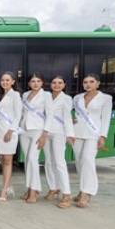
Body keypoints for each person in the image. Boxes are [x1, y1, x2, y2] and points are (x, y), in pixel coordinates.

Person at [72, 74, 112, 208]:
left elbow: (106, 118)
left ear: (98, 83)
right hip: (77, 132)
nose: (88, 84)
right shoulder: (77, 98)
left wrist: (103, 136)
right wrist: (70, 119)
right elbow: (69, 112)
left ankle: (87, 193)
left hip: (93, 134)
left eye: (91, 81)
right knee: (79, 162)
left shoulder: (106, 98)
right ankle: (82, 189)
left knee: (88, 160)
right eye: (85, 82)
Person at [44, 75, 76, 208]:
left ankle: (67, 194)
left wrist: (70, 134)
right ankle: (53, 188)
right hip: (45, 132)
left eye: (60, 83)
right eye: (54, 82)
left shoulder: (67, 99)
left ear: (64, 85)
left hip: (59, 132)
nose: (56, 85)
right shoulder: (46, 96)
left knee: (59, 162)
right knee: (48, 161)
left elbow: (67, 117)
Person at [19, 73, 52, 204]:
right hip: (24, 130)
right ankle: (31, 188)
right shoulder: (25, 95)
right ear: (29, 83)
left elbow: (50, 115)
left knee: (33, 160)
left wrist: (45, 134)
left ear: (42, 83)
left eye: (38, 81)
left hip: (38, 130)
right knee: (28, 161)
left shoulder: (46, 95)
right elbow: (23, 113)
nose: (36, 83)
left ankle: (33, 191)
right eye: (33, 81)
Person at [0, 72, 22, 202]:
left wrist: (11, 131)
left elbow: (18, 114)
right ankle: (9, 185)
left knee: (8, 159)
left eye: (7, 80)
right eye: (2, 80)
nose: (4, 82)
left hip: (9, 131)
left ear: (13, 82)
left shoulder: (15, 95)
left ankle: (4, 190)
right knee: (2, 158)